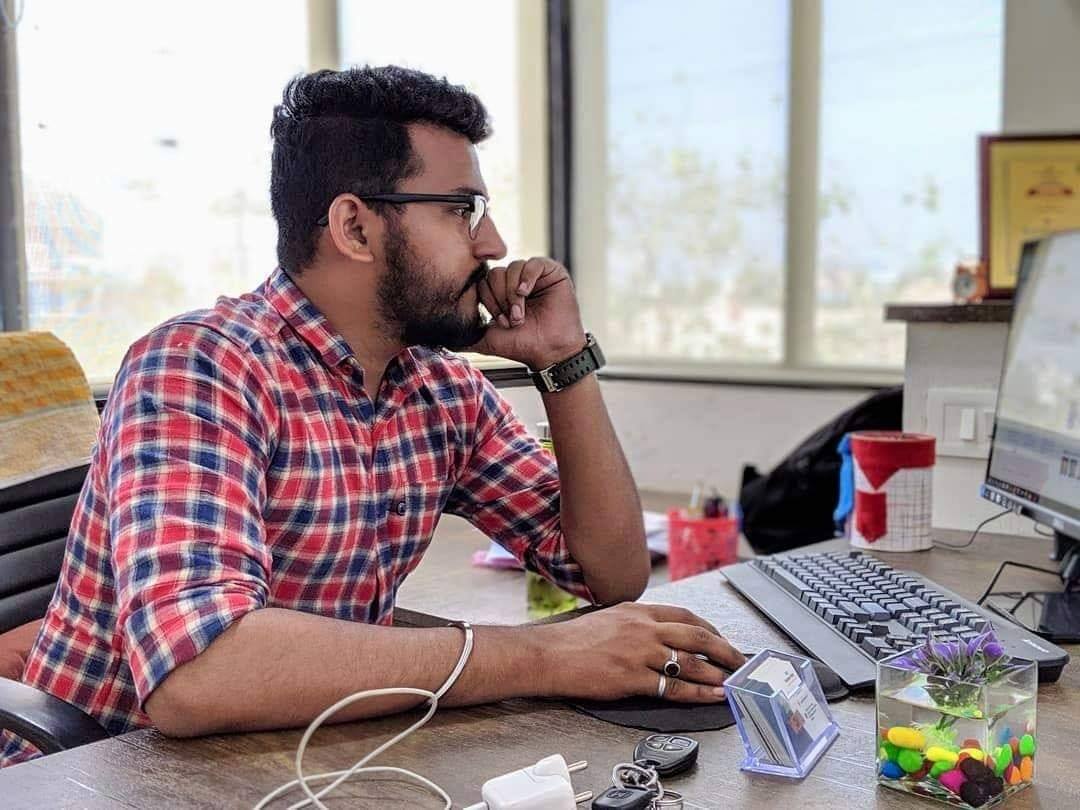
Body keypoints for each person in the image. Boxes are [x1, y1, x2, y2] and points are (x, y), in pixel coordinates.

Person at [0, 66, 742, 767]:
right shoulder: (202, 364)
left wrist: (562, 364)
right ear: (354, 228)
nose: (493, 245)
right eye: (461, 210)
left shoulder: (439, 387)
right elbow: (199, 673)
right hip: (104, 771)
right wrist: (544, 656)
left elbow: (609, 573)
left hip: (295, 759)